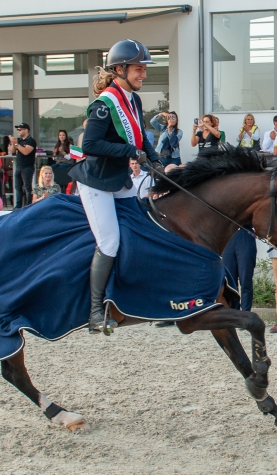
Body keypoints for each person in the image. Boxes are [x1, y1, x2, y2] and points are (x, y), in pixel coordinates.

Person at [69, 39, 162, 334]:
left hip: (119, 179)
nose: (143, 74)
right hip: (96, 182)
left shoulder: (133, 100)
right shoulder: (103, 104)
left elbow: (141, 137)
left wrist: (157, 161)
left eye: (144, 69)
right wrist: (129, 152)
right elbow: (91, 144)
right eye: (138, 69)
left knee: (142, 225)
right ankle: (96, 313)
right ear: (120, 69)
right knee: (109, 242)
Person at [223, 228, 258, 315]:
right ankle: (233, 313)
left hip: (245, 234)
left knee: (246, 280)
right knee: (229, 282)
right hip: (227, 236)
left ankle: (245, 313)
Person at [8, 123, 37, 208]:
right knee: (18, 187)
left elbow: (25, 151)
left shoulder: (31, 141)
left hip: (27, 166)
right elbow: (12, 151)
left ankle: (28, 204)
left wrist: (16, 144)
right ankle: (18, 205)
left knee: (27, 187)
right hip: (19, 166)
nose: (18, 131)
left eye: (20, 129)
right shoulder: (19, 140)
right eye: (17, 130)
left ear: (26, 130)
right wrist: (13, 143)